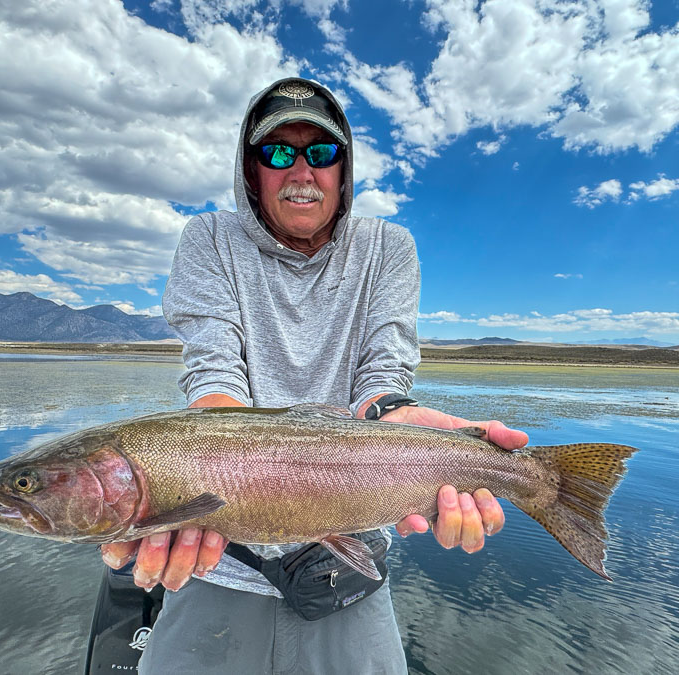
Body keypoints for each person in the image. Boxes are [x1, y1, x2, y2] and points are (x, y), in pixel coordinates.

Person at [99, 77, 528, 673]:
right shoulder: (210, 239)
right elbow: (215, 373)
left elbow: (384, 373)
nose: (301, 170)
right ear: (252, 172)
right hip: (217, 555)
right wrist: (199, 487)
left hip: (349, 563)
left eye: (320, 153)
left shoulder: (388, 247)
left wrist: (391, 415)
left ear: (343, 169)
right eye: (277, 153)